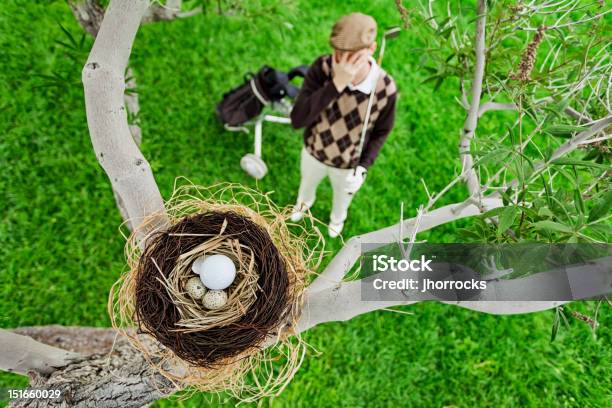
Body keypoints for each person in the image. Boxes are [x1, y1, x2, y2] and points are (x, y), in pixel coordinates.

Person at [289, 12, 398, 237]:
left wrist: (364, 167)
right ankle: (303, 204)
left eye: (353, 55)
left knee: (342, 198)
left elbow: (382, 131)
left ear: (371, 49)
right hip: (314, 150)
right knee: (306, 184)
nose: (343, 62)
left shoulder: (385, 88)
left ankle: (337, 220)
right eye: (338, 53)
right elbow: (297, 119)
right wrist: (336, 84)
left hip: (348, 163)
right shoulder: (323, 69)